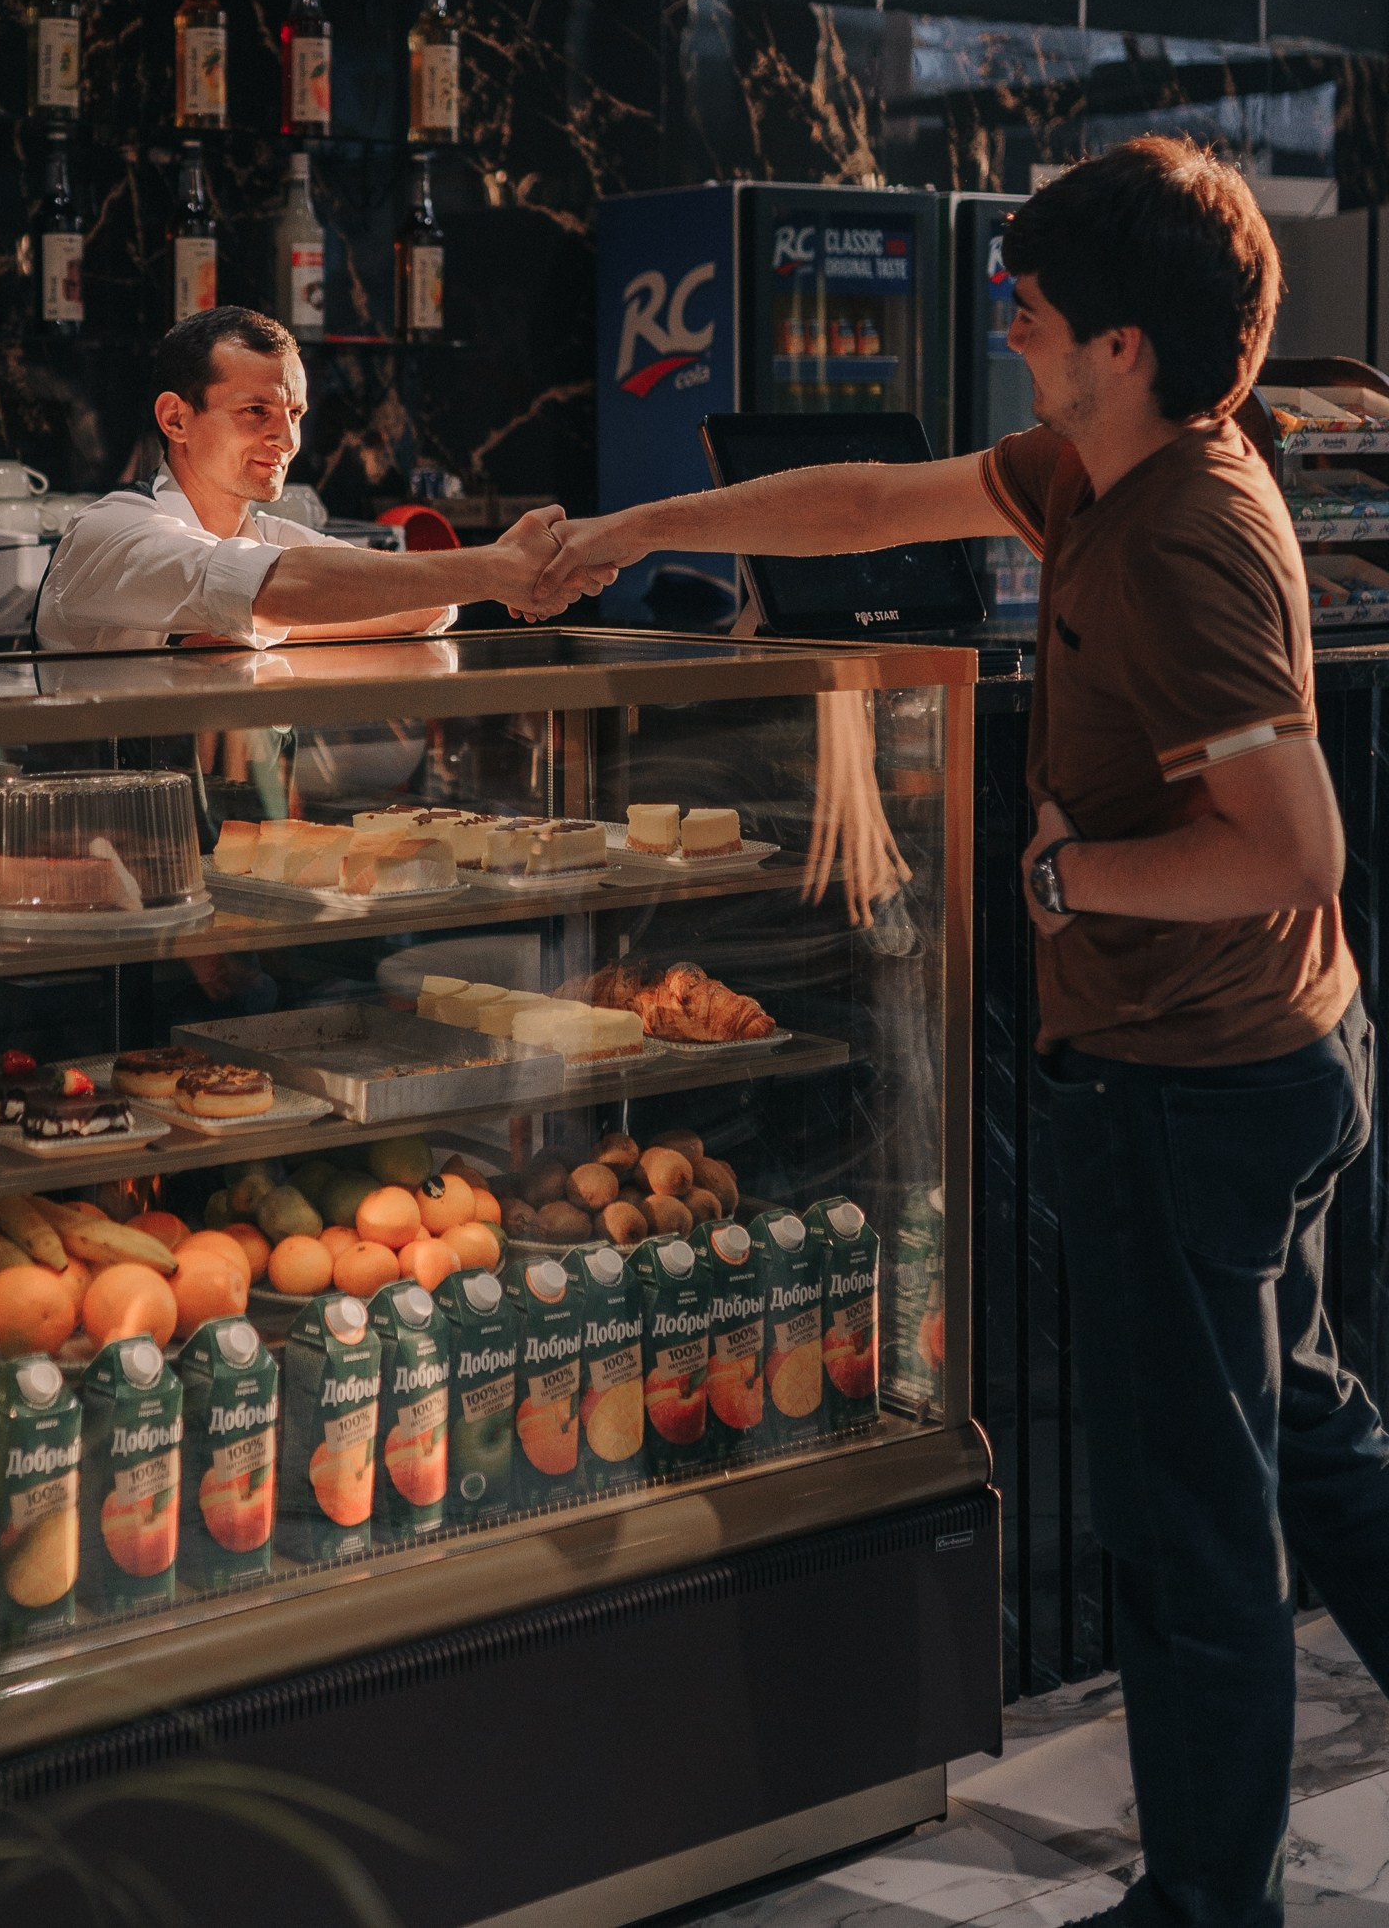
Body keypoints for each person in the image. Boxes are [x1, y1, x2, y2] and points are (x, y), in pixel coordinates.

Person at [541, 136, 1389, 1928]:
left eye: (1037, 305)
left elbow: (1295, 847)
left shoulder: (1186, 544)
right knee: (1309, 1440)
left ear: (1126, 350)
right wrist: (637, 531)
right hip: (1279, 1062)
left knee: (1189, 1532)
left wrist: (1076, 886)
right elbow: (865, 506)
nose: (1007, 319)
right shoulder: (1104, 468)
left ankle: (1208, 1903)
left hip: (1194, 1083)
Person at [37, 306, 573, 651]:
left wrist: (293, 610)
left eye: (294, 414)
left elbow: (424, 605)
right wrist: (498, 567)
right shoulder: (111, 532)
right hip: (88, 817)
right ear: (176, 418)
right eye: (255, 411)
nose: (288, 441)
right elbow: (270, 586)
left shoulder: (274, 539)